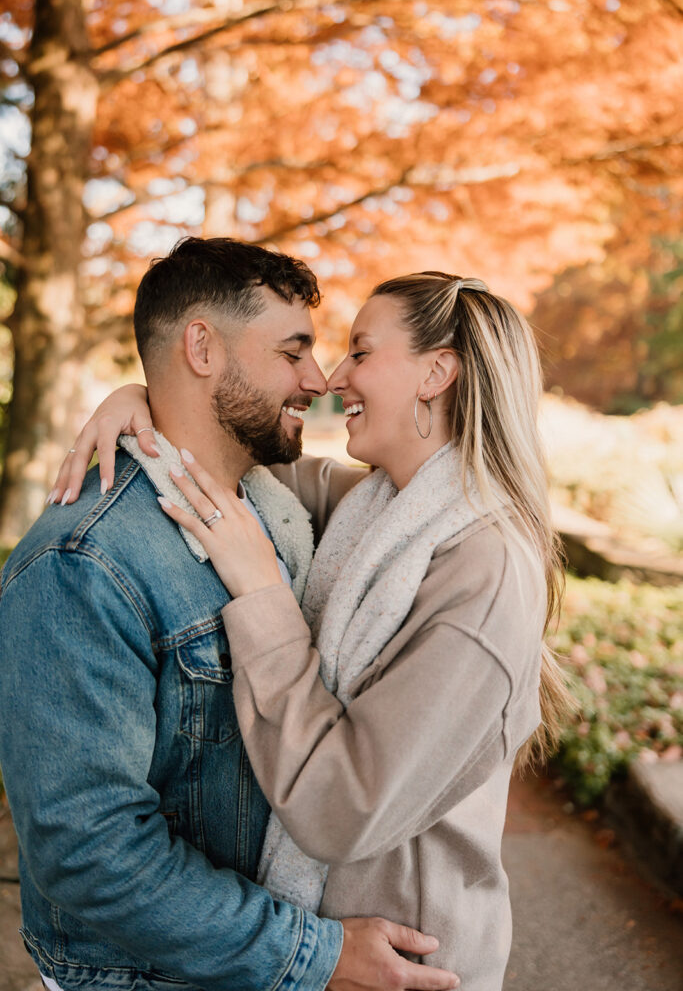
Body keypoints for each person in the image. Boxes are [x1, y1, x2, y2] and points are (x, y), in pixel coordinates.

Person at [51, 267, 575, 991]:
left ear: (436, 373)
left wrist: (261, 591)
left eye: (360, 351)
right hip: (329, 945)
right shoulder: (380, 508)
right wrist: (141, 396)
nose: (331, 376)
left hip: (400, 961)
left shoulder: (481, 569)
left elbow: (339, 809)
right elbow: (227, 454)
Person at [0, 239, 462, 991]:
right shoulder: (83, 564)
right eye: (293, 352)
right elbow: (90, 854)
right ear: (202, 348)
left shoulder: (275, 515)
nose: (318, 381)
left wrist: (137, 398)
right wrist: (319, 953)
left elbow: (421, 486)